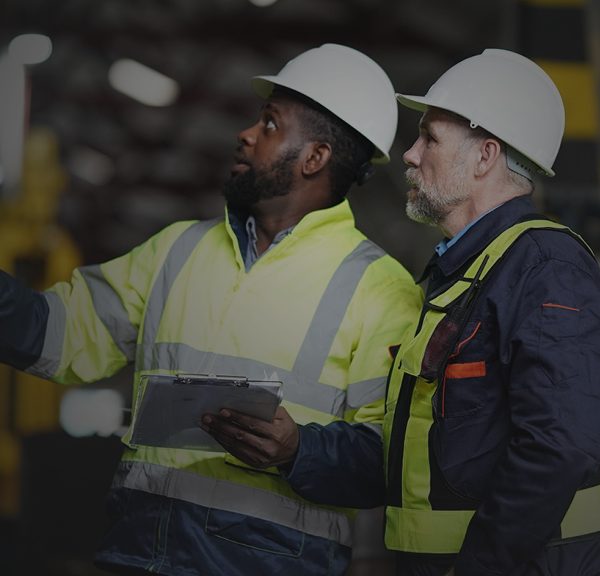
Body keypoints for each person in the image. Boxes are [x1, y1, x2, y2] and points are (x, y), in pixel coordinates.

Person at [0, 43, 422, 576]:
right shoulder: (176, 250)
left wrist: (297, 450)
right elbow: (55, 334)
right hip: (137, 555)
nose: (245, 133)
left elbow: (392, 459)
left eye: (269, 124)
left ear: (315, 158)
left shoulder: (380, 289)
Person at [206, 49, 600, 576]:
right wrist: (298, 450)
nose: (410, 155)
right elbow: (409, 453)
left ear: (485, 156)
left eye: (430, 138)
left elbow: (558, 446)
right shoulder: (459, 278)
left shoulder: (544, 265)